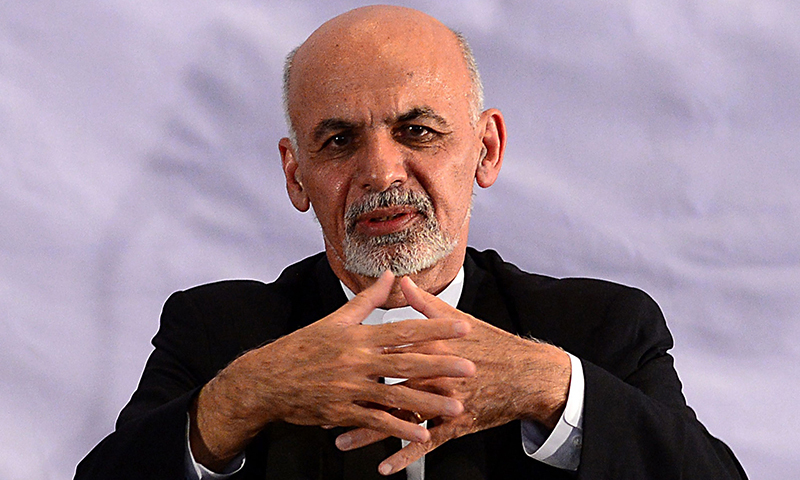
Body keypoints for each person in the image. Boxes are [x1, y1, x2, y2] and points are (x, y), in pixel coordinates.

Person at [75, 5, 747, 480]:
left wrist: (548, 387)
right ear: (296, 174)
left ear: (486, 149)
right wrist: (243, 397)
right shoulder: (214, 334)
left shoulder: (602, 329)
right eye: (340, 140)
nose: (381, 172)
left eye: (417, 131)